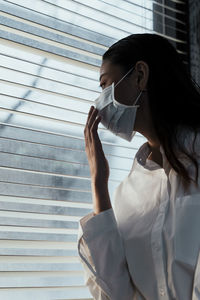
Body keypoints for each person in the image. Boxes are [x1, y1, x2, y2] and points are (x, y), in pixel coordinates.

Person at [77, 33, 200, 300]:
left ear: (140, 75)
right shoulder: (127, 195)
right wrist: (99, 183)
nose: (100, 103)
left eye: (105, 85)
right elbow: (117, 293)